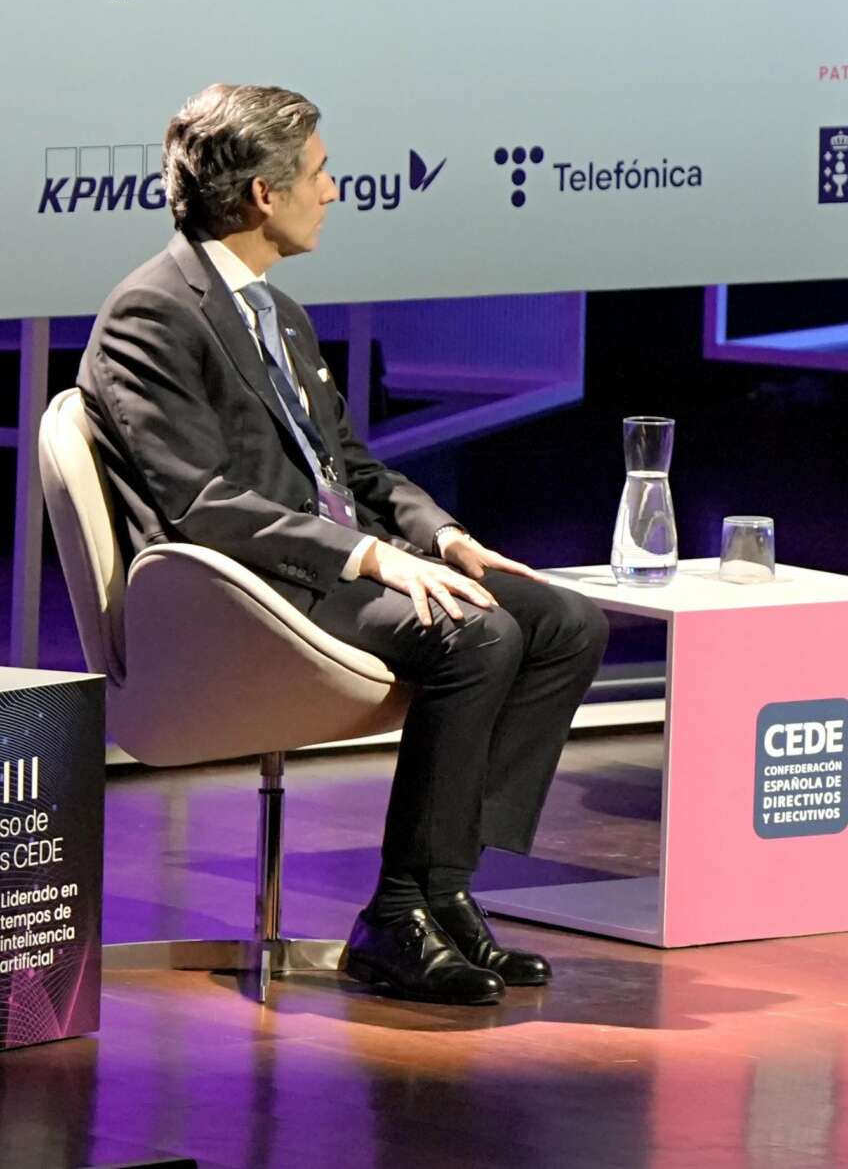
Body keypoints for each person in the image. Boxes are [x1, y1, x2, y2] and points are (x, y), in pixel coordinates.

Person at [80, 84, 608, 1002]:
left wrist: (440, 536)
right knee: (474, 638)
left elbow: (354, 468)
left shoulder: (275, 312)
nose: (331, 192)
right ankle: (397, 912)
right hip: (247, 590)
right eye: (319, 175)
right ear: (261, 197)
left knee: (562, 621)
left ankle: (441, 895)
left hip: (329, 564)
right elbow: (200, 501)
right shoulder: (153, 312)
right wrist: (366, 557)